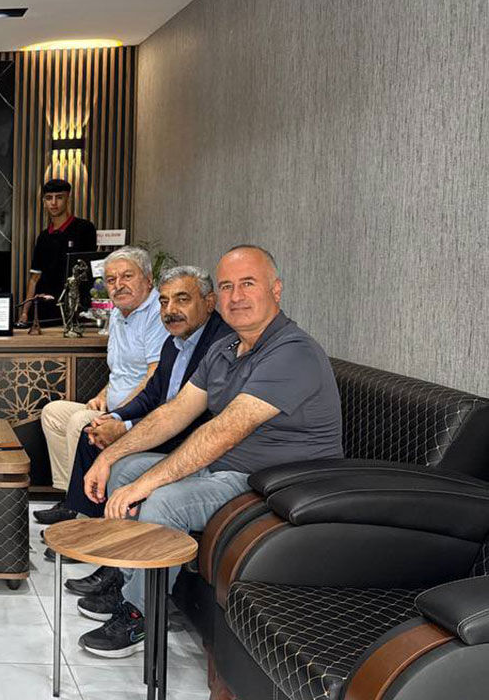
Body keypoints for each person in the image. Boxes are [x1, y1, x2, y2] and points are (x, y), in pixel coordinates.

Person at [77, 245, 343, 657]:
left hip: (273, 483)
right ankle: (131, 581)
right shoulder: (226, 348)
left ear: (276, 289)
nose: (236, 296)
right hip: (225, 469)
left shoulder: (293, 352)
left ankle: (140, 614)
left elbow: (222, 432)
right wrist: (109, 457)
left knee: (162, 500)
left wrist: (148, 483)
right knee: (126, 470)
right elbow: (174, 413)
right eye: (228, 287)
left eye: (248, 284)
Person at [48, 266, 233, 617]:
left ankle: (134, 600)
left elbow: (193, 417)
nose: (170, 310)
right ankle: (116, 566)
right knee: (108, 451)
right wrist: (117, 418)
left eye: (182, 299)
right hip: (165, 429)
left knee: (116, 458)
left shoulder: (220, 344)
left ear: (209, 303)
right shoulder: (174, 342)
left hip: (192, 444)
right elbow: (152, 394)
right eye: (164, 302)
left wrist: (126, 427)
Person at [39, 246, 168, 503]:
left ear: (148, 279)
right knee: (53, 413)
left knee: (80, 422)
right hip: (114, 406)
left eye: (127, 276)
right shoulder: (119, 313)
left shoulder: (157, 314)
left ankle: (85, 503)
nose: (118, 285)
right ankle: (70, 495)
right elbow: (121, 371)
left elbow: (155, 376)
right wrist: (102, 396)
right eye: (111, 280)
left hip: (139, 414)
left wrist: (119, 413)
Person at [29, 178, 97, 325]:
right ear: (44, 202)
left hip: (76, 309)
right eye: (49, 198)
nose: (53, 203)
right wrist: (23, 313)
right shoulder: (43, 237)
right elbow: (34, 278)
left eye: (59, 197)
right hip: (45, 310)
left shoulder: (85, 229)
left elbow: (90, 272)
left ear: (68, 199)